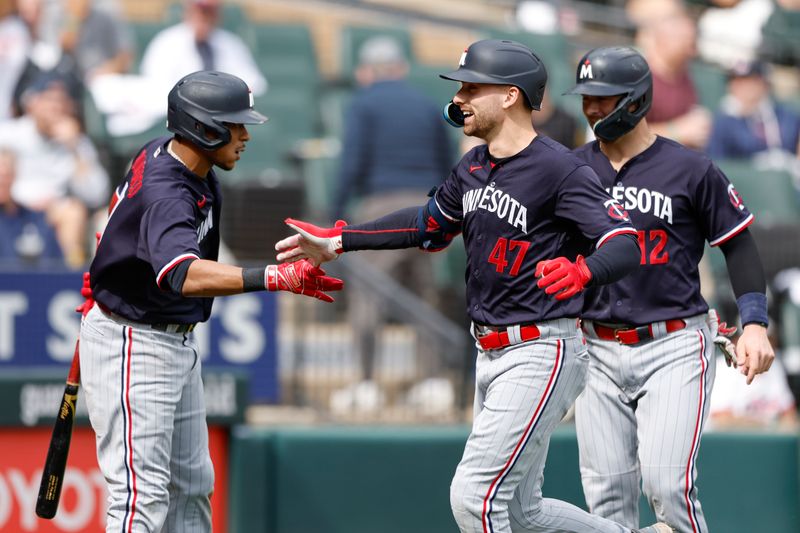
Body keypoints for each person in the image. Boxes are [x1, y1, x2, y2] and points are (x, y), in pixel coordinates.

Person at [276, 39, 671, 533]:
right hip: (490, 351)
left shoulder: (560, 167)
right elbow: (427, 224)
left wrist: (585, 270)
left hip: (540, 348)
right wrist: (341, 239)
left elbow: (625, 243)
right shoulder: (474, 166)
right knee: (523, 513)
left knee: (474, 497)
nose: (459, 97)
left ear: (509, 96)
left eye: (470, 87)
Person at [79, 70, 342, 532]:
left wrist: (111, 260)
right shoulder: (170, 186)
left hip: (166, 338)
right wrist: (275, 277)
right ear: (204, 127)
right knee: (140, 499)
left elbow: (123, 212)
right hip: (135, 341)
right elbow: (181, 272)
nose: (244, 136)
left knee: (192, 487)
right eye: (235, 125)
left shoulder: (174, 159)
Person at [564, 46, 776, 532]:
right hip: (594, 348)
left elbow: (738, 246)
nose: (593, 108)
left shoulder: (690, 169)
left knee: (667, 487)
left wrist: (755, 323)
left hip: (673, 343)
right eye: (587, 98)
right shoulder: (572, 170)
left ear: (636, 100)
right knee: (607, 502)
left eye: (604, 97)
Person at [330, 35, 454, 408]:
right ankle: (434, 385)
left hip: (381, 208)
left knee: (370, 296)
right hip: (429, 208)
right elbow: (449, 161)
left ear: (365, 72)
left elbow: (351, 164)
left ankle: (367, 384)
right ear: (399, 69)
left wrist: (335, 213)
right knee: (423, 296)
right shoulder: (426, 103)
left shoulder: (362, 103)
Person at [0, 69, 109, 267]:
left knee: (73, 212)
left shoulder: (76, 142)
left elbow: (96, 194)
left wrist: (75, 148)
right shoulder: (10, 133)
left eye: (61, 101)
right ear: (32, 103)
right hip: (12, 208)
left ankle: (66, 278)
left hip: (53, 214)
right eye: (49, 100)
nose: (56, 107)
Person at [139, 0, 267, 103]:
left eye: (210, 12)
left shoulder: (231, 43)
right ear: (187, 12)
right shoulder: (166, 42)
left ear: (218, 14)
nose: (204, 17)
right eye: (199, 11)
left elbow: (255, 83)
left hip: (224, 112)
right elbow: (155, 87)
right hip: (182, 114)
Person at [627, 0, 712, 150]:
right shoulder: (636, 77)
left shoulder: (686, 78)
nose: (693, 51)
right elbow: (621, 137)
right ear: (665, 40)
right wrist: (677, 131)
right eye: (686, 42)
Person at [706, 59, 800, 161]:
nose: (745, 88)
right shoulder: (722, 122)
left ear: (764, 84)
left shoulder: (785, 116)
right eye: (738, 82)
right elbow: (717, 164)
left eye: (752, 81)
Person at [0, 146, 64, 266]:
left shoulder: (36, 221)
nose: (2, 181)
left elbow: (56, 268)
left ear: (14, 176)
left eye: (6, 175)